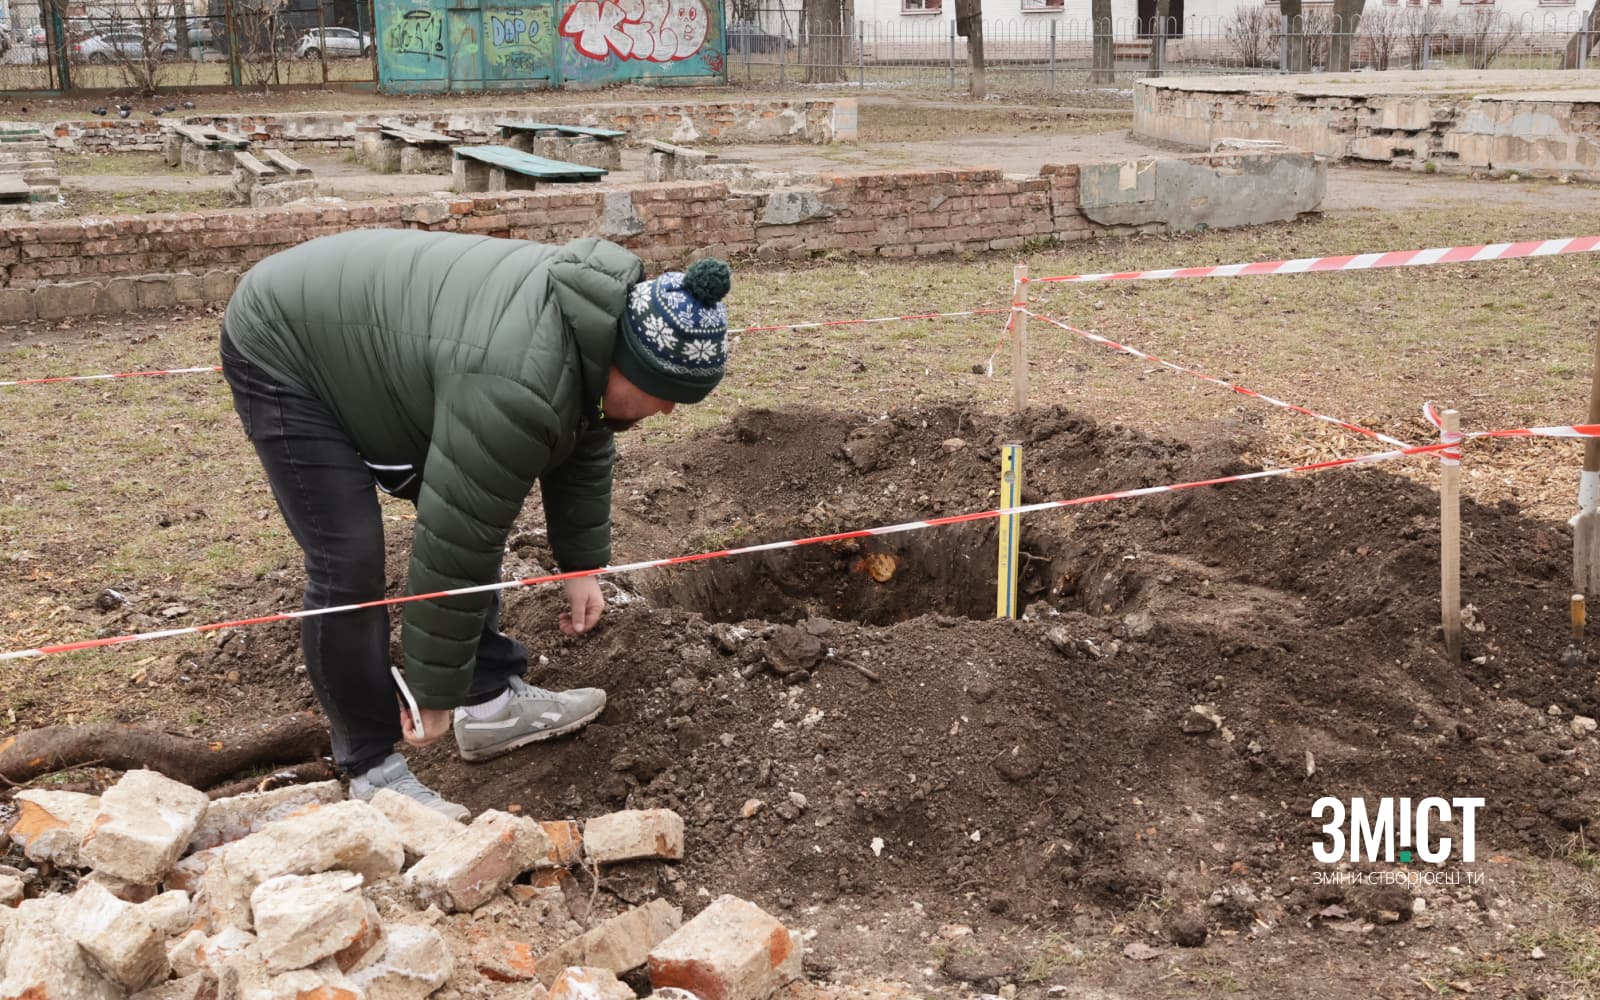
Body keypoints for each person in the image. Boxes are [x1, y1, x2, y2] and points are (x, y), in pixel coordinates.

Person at [219, 230, 731, 819]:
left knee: (482, 496)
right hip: (286, 343)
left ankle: (487, 706)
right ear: (628, 363)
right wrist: (434, 695)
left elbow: (584, 441)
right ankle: (369, 766)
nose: (666, 411)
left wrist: (580, 565)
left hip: (385, 337)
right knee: (349, 560)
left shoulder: (595, 328)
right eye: (663, 394)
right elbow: (456, 537)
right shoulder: (519, 379)